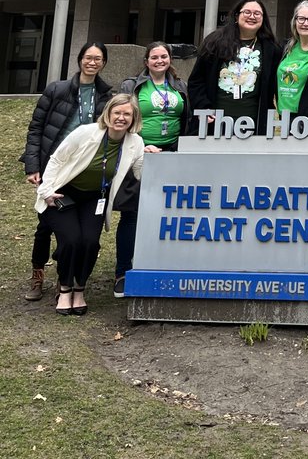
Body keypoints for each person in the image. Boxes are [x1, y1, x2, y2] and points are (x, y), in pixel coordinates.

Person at [35, 93, 144, 315]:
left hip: (95, 197)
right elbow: (57, 159)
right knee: (71, 240)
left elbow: (141, 173)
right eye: (117, 112)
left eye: (127, 114)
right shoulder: (86, 133)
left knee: (90, 243)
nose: (121, 118)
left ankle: (79, 288)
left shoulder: (135, 143)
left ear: (134, 118)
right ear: (108, 113)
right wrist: (46, 191)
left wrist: (152, 156)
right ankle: (64, 288)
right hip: (62, 195)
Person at [21, 42, 114, 302]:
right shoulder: (57, 89)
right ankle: (37, 275)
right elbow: (36, 128)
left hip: (84, 168)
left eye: (98, 59)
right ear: (79, 59)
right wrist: (33, 166)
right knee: (44, 225)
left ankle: (66, 267)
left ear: (104, 63)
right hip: (54, 166)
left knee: (72, 231)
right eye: (88, 57)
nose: (92, 62)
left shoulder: (105, 95)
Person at [114, 41, 191, 296]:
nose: (160, 60)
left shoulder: (180, 86)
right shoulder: (132, 85)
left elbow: (186, 117)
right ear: (146, 61)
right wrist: (142, 145)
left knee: (170, 212)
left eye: (164, 56)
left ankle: (162, 264)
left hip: (172, 154)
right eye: (155, 57)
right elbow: (121, 117)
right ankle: (123, 272)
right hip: (140, 153)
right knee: (133, 214)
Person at [187, 0, 280, 134]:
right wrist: (203, 107)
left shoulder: (271, 48)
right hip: (214, 123)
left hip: (254, 124)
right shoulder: (215, 42)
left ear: (263, 18)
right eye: (247, 12)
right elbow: (196, 80)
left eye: (257, 13)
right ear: (237, 16)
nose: (252, 17)